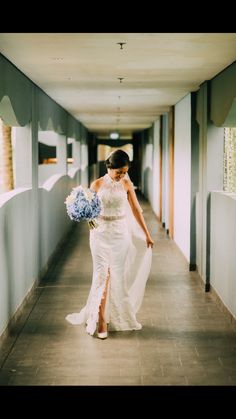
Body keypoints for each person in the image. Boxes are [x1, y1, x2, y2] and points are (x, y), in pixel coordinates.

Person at [66, 149, 154, 339]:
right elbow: (88, 212)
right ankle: (101, 322)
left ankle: (114, 316)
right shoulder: (97, 184)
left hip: (121, 235)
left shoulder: (126, 184)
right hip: (100, 235)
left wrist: (147, 234)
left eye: (124, 172)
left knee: (117, 276)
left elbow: (137, 210)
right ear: (110, 168)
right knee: (102, 276)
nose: (121, 175)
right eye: (118, 172)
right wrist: (92, 227)